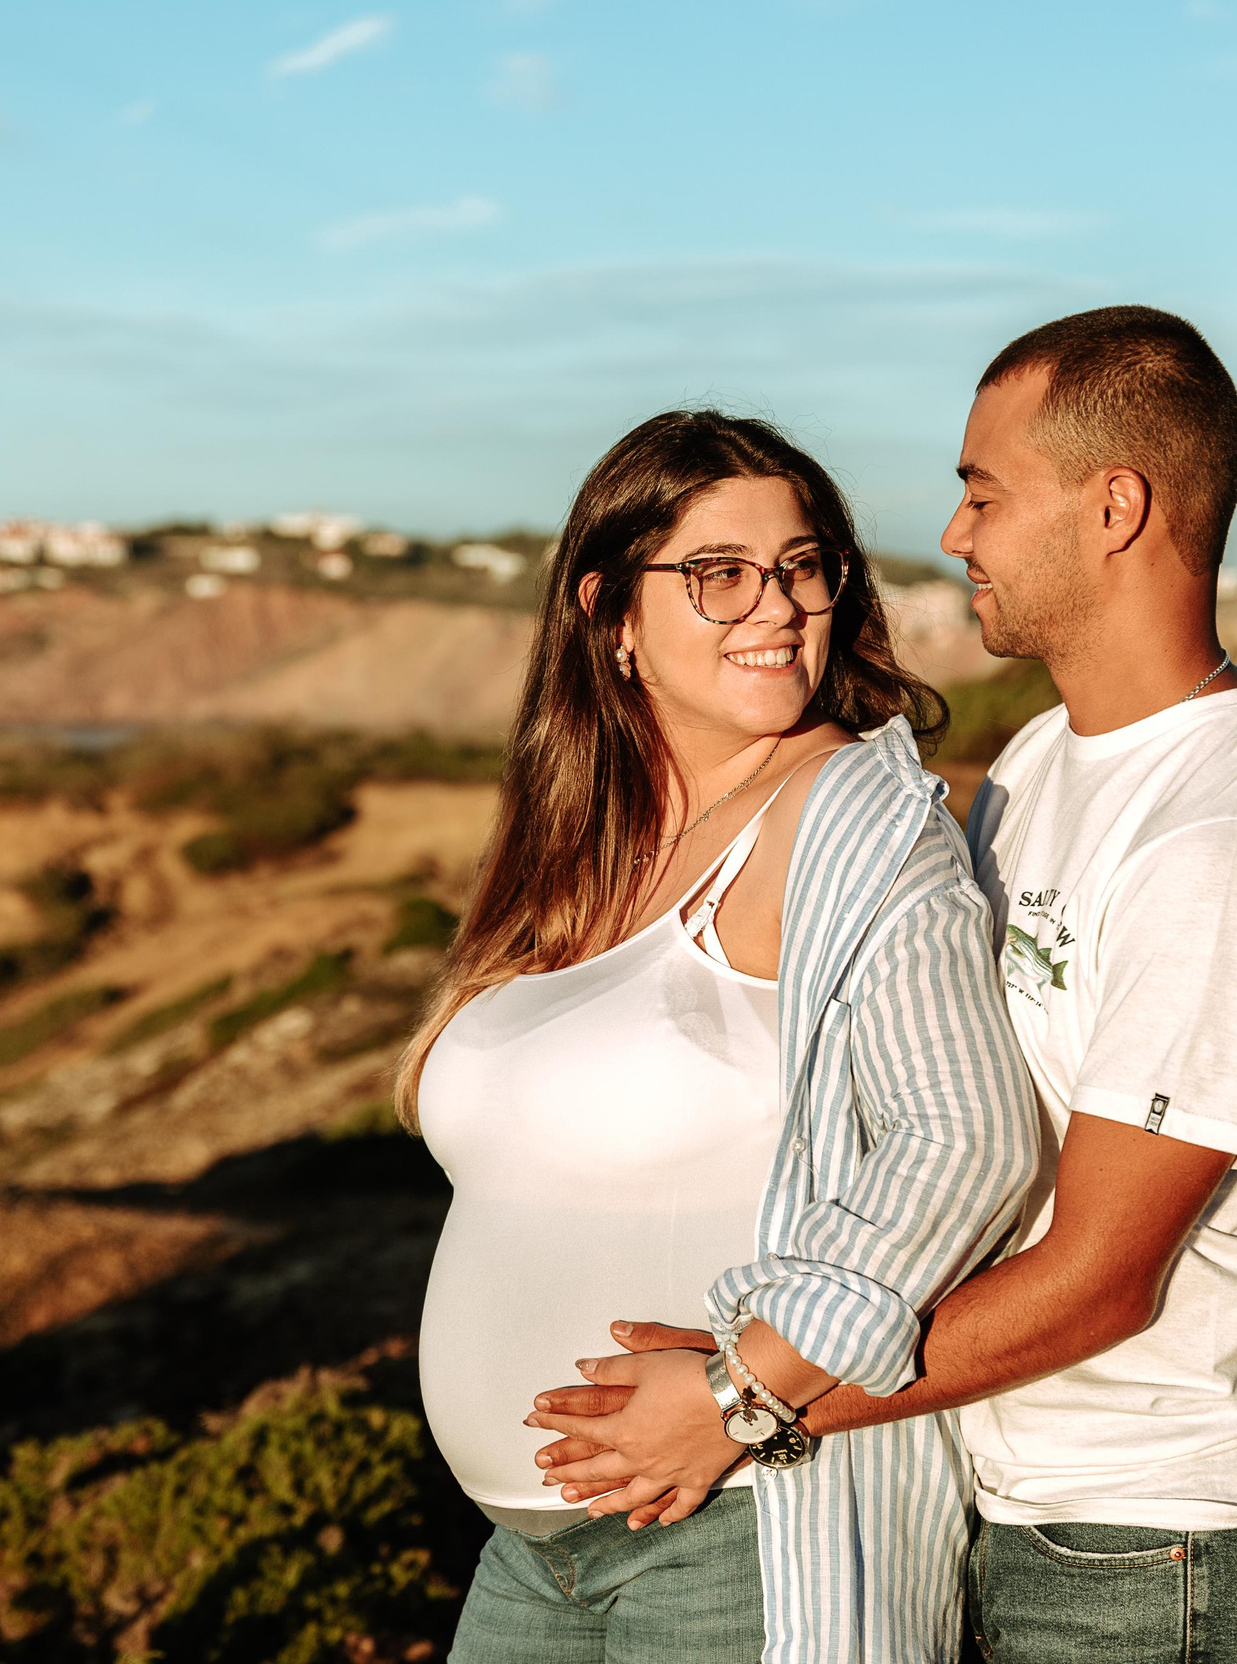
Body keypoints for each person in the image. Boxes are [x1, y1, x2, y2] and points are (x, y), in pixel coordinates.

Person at [536, 309, 1237, 1661]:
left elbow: (1105, 1276)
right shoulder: (1046, 762)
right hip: (1034, 1504)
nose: (954, 532)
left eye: (986, 490)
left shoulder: (1216, 838)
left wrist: (749, 1395)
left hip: (1168, 1531)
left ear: (1115, 506)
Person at [402, 408, 1038, 1663]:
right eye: (719, 574)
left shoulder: (851, 816)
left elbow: (970, 1137)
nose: (777, 606)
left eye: (803, 566)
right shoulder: (590, 846)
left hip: (734, 1528)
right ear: (611, 614)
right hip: (530, 1557)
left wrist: (741, 1393)